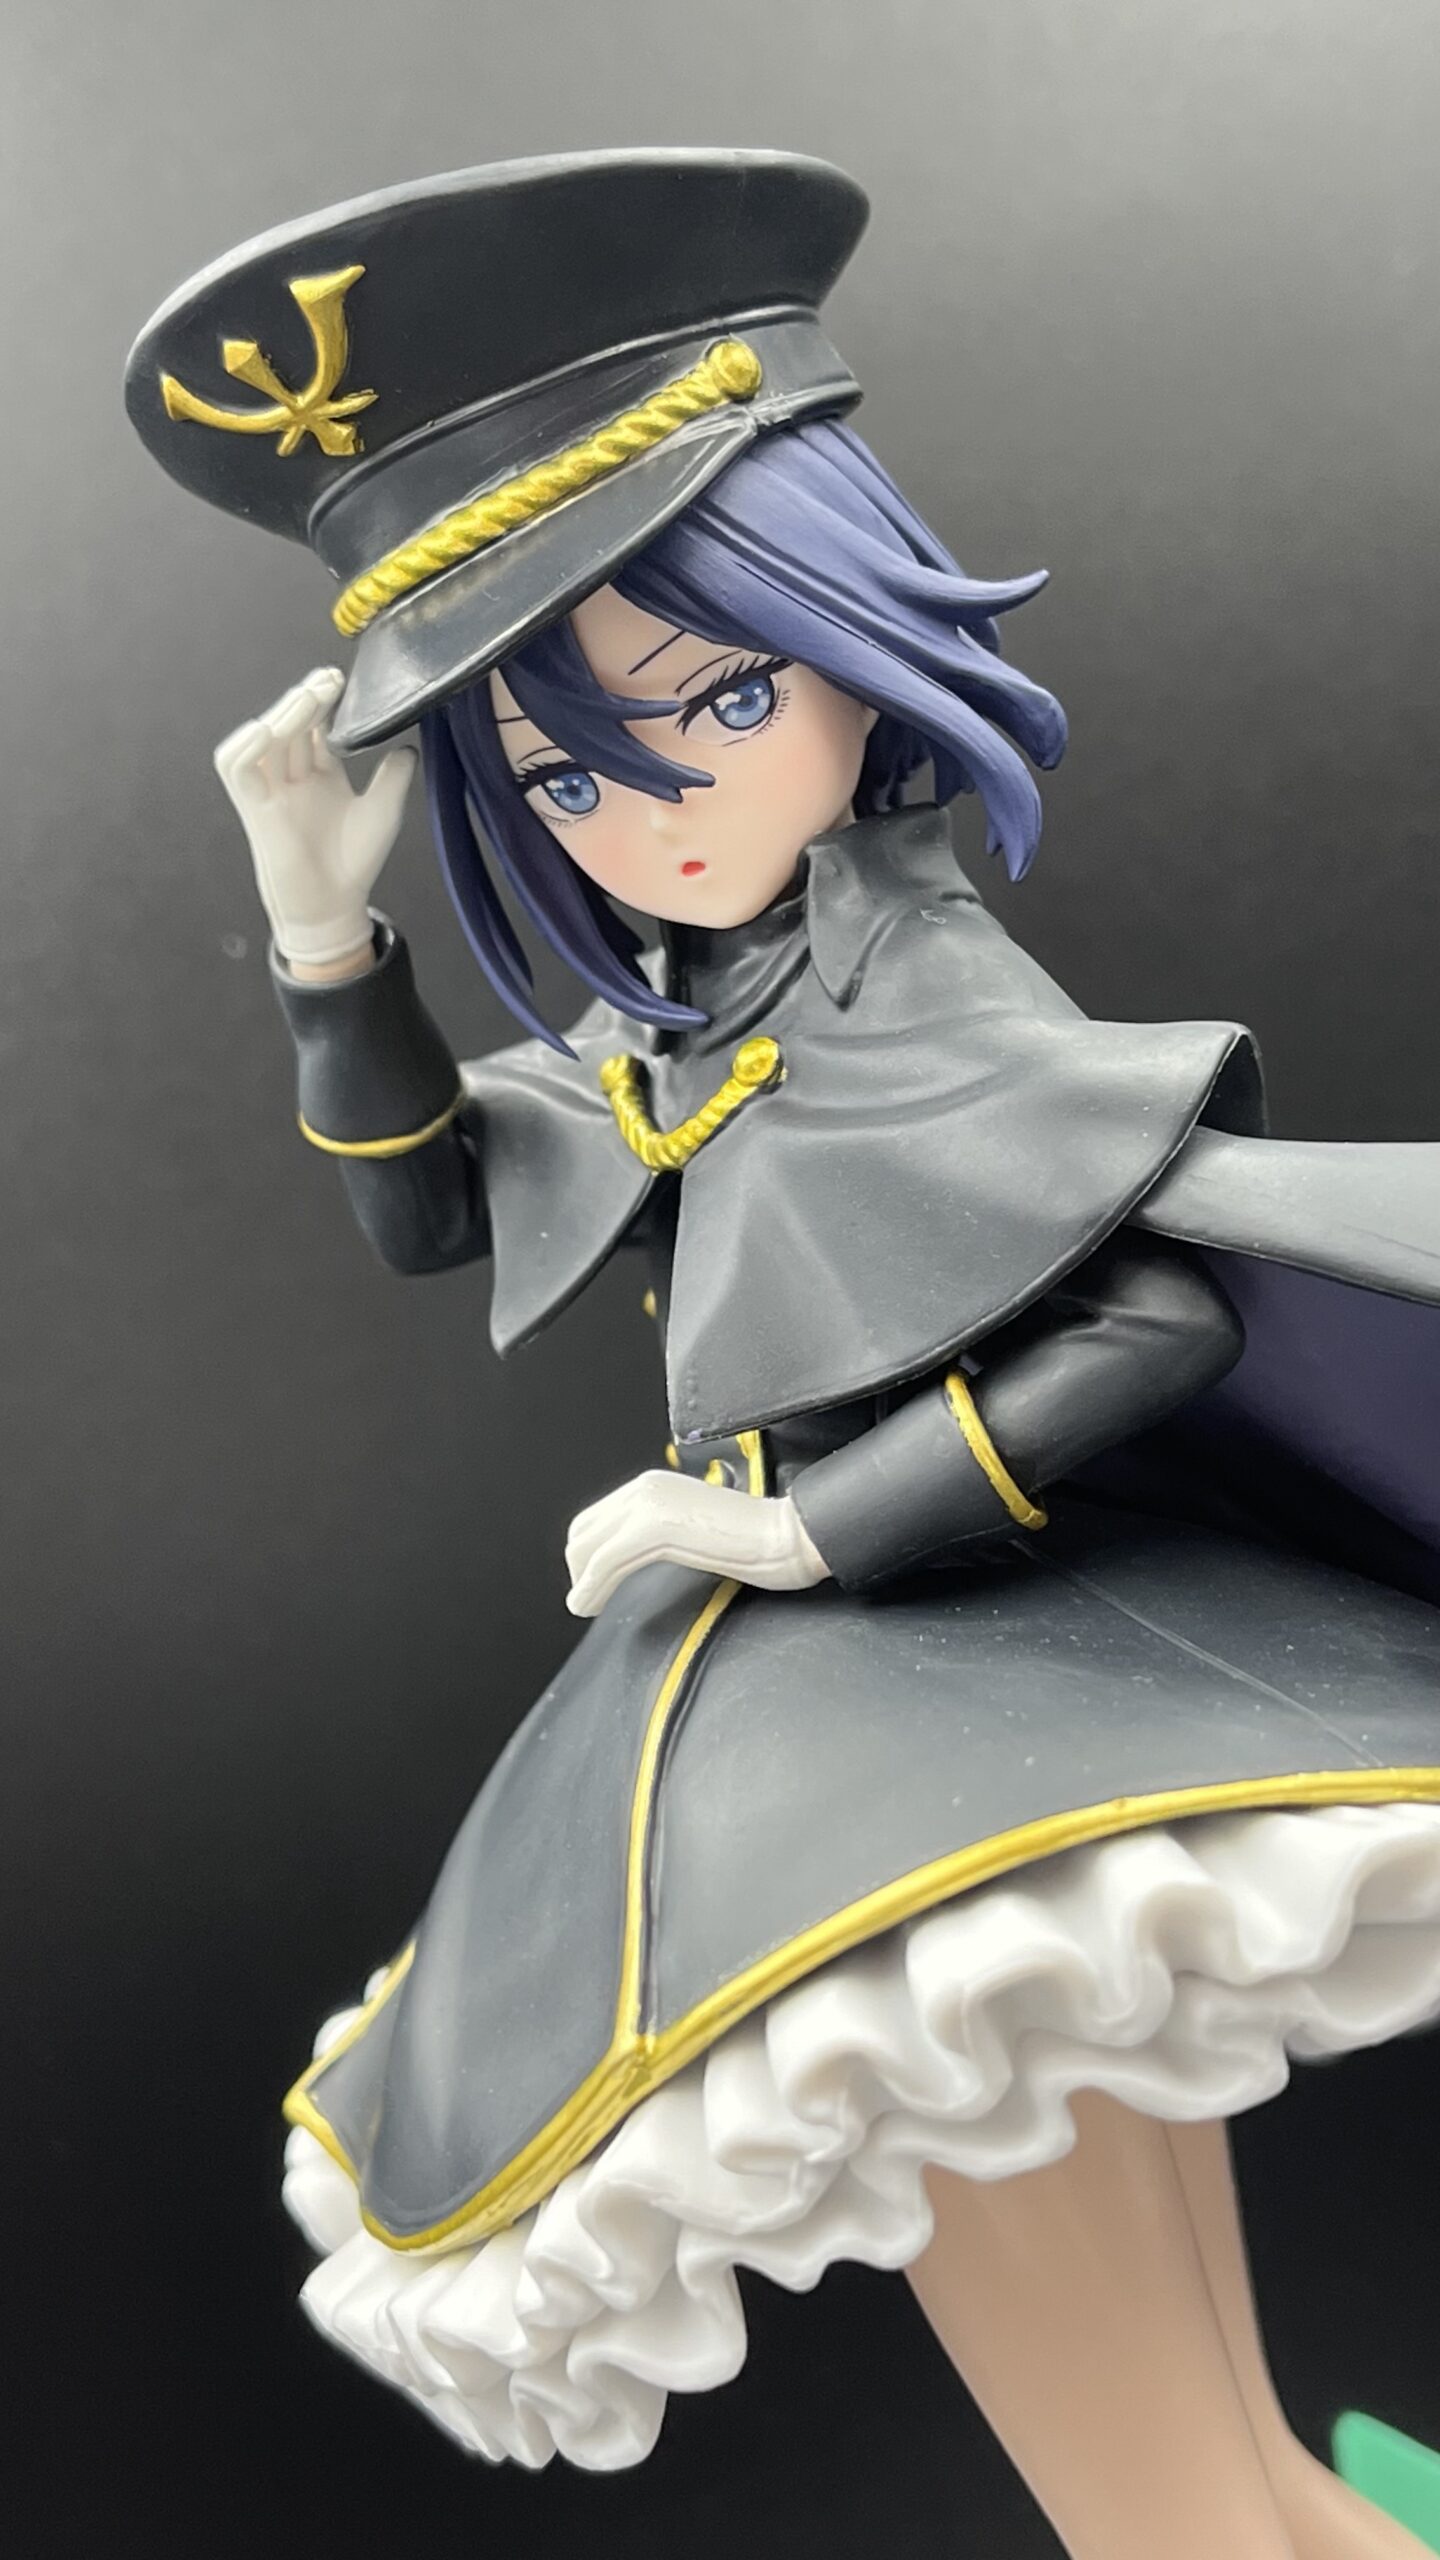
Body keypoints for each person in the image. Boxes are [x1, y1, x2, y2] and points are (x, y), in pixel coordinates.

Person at [128, 151, 1440, 2558]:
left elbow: (1151, 1306)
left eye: (721, 697)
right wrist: (323, 937)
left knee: (1165, 2502)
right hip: (857, 1716)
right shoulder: (698, 1011)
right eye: (561, 771)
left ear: (852, 638)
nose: (652, 814)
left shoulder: (907, 986)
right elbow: (435, 1200)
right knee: (1215, 2470)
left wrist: (804, 1522)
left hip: (921, 1710)